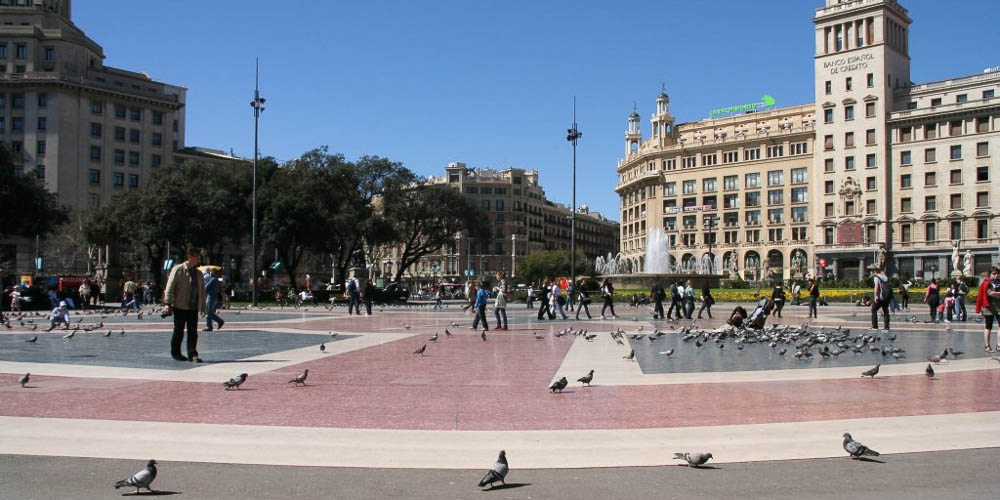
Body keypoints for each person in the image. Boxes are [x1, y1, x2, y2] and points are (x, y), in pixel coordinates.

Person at [163, 248, 207, 363]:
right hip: (180, 306)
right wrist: (167, 303)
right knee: (179, 331)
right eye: (197, 257)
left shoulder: (198, 273)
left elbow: (202, 291)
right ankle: (176, 352)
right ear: (190, 257)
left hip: (193, 307)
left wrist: (203, 307)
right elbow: (170, 286)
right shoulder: (178, 269)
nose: (199, 259)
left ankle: (193, 354)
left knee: (193, 332)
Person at [975, 268, 1000, 352]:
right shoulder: (986, 283)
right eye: (994, 273)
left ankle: (999, 345)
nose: (996, 275)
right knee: (988, 326)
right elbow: (990, 293)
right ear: (990, 274)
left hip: (998, 307)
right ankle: (987, 346)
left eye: (997, 273)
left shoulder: (998, 283)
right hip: (988, 308)